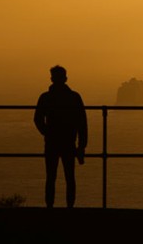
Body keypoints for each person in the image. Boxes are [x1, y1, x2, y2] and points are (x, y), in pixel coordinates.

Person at [34, 65, 88, 208]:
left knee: (51, 177)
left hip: (51, 142)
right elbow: (82, 123)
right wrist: (82, 146)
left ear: (52, 79)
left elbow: (38, 119)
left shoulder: (45, 97)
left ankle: (50, 206)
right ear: (65, 78)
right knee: (69, 177)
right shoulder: (74, 97)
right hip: (69, 142)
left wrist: (47, 133)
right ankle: (70, 207)